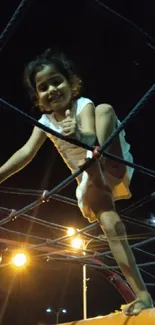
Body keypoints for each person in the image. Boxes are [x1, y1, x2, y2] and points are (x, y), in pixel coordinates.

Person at [0, 49, 153, 315]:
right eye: (43, 87)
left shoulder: (84, 105)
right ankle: (143, 295)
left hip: (109, 158)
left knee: (105, 110)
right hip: (92, 179)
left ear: (71, 83)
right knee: (111, 225)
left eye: (56, 81)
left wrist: (81, 135)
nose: (52, 89)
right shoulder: (45, 122)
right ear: (38, 98)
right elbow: (25, 154)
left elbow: (90, 132)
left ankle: (94, 158)